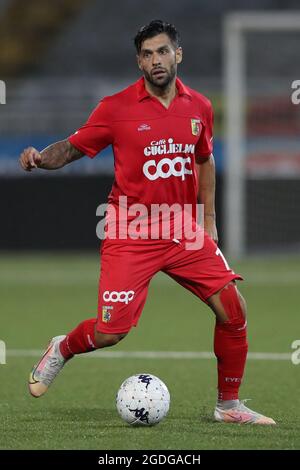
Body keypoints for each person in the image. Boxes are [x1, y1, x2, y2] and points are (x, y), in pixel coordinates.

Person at [19, 20, 275, 425]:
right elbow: (71, 148)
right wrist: (39, 158)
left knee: (233, 309)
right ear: (139, 62)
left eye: (162, 51)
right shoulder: (115, 108)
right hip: (130, 228)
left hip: (182, 229)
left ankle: (229, 406)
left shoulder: (200, 107)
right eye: (147, 54)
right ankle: (63, 348)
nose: (156, 60)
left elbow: (204, 159)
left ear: (178, 54)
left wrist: (207, 217)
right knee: (111, 332)